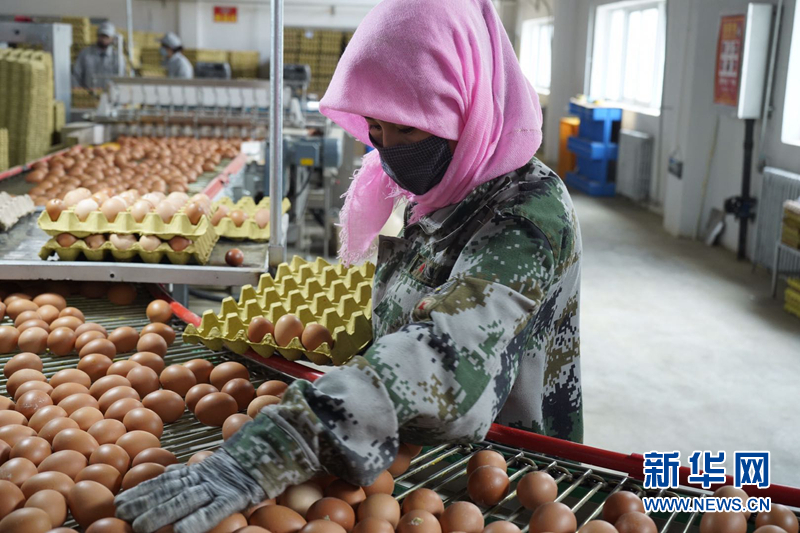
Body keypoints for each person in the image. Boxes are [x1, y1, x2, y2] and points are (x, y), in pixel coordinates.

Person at [115, 0, 582, 531]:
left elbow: (452, 357)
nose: (389, 151)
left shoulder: (527, 216)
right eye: (376, 128)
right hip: (411, 447)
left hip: (506, 466)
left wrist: (278, 445)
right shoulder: (446, 179)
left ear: (466, 105)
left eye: (407, 130)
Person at [72, 21, 121, 89]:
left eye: (107, 37)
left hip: (110, 94)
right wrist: (79, 91)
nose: (104, 39)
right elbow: (76, 75)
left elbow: (122, 77)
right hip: (88, 93)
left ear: (112, 38)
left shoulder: (117, 57)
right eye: (102, 36)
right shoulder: (85, 54)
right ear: (97, 35)